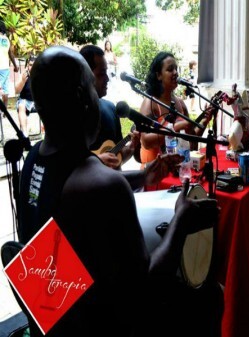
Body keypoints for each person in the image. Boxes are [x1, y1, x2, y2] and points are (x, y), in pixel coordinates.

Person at [18, 45, 221, 337]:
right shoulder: (102, 185)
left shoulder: (34, 160)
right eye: (92, 85)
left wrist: (144, 174)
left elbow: (70, 195)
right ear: (80, 98)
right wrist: (181, 220)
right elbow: (147, 287)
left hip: (57, 319)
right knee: (211, 295)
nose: (99, 96)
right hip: (106, 324)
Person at [139, 51, 212, 170]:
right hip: (155, 174)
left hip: (180, 170)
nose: (175, 73)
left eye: (176, 69)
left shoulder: (180, 104)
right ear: (158, 75)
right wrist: (176, 128)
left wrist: (204, 121)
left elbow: (191, 139)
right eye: (170, 69)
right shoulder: (150, 103)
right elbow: (146, 141)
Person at [79, 44, 137, 170]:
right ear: (85, 75)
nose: (107, 79)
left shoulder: (111, 108)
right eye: (101, 73)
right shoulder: (73, 115)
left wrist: (132, 147)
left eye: (107, 72)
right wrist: (97, 161)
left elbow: (117, 158)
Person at [14, 55, 36, 137]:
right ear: (27, 65)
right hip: (25, 100)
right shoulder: (24, 75)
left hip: (37, 101)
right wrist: (23, 81)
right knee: (21, 105)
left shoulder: (41, 75)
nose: (32, 67)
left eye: (34, 65)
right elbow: (16, 91)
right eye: (30, 65)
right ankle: (25, 134)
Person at [0, 20, 18, 113]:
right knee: (5, 91)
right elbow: (10, 53)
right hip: (5, 68)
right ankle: (4, 112)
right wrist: (15, 66)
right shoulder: (6, 40)